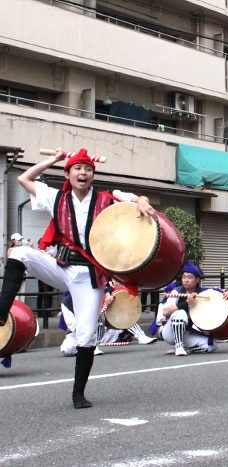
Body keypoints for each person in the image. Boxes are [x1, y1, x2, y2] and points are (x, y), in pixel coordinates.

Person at [0, 148, 155, 408]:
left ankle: (78, 393)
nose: (83, 173)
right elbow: (24, 179)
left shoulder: (106, 199)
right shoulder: (55, 197)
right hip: (61, 266)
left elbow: (135, 198)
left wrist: (141, 201)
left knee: (85, 336)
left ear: (93, 174)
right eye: (77, 169)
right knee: (19, 252)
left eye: (88, 169)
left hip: (89, 276)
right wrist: (54, 159)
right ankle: (2, 311)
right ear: (68, 173)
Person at [157, 261, 228, 356]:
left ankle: (185, 348)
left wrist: (227, 292)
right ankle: (179, 346)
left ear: (197, 280)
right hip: (170, 332)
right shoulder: (176, 291)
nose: (186, 280)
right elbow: (165, 311)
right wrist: (186, 303)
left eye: (190, 277)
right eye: (184, 277)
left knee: (211, 345)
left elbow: (219, 290)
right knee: (180, 313)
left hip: (185, 332)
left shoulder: (202, 292)